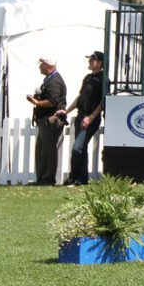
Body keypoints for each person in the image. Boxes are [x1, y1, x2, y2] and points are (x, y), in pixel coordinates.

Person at [54, 51, 104, 185]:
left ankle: (75, 177)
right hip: (80, 115)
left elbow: (102, 102)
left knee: (77, 147)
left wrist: (91, 118)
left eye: (92, 59)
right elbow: (80, 98)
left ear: (99, 63)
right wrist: (66, 111)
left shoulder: (103, 80)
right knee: (81, 148)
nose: (89, 62)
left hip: (90, 117)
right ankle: (81, 179)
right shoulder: (87, 78)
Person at [27, 56, 67, 186]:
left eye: (41, 65)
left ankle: (47, 179)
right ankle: (42, 178)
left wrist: (37, 102)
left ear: (47, 66)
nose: (39, 67)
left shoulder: (54, 81)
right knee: (42, 150)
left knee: (48, 151)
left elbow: (52, 101)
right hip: (46, 120)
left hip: (51, 120)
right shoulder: (50, 79)